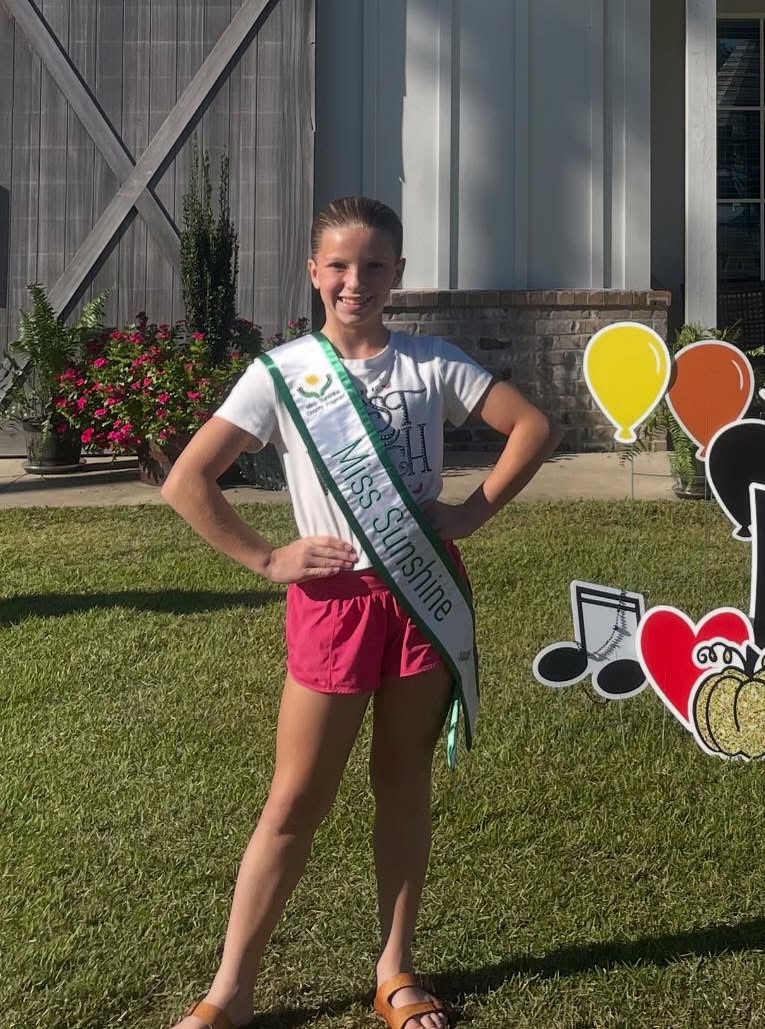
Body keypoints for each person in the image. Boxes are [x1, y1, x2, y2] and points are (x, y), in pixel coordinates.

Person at [162, 196, 555, 1029]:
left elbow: (531, 428)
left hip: (420, 599)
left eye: (374, 265)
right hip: (333, 607)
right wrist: (268, 558)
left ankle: (395, 970)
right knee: (296, 800)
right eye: (338, 265)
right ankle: (231, 990)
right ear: (313, 272)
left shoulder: (431, 363)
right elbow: (187, 479)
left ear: (398, 276)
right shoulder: (281, 374)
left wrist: (473, 512)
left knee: (402, 786)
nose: (355, 281)